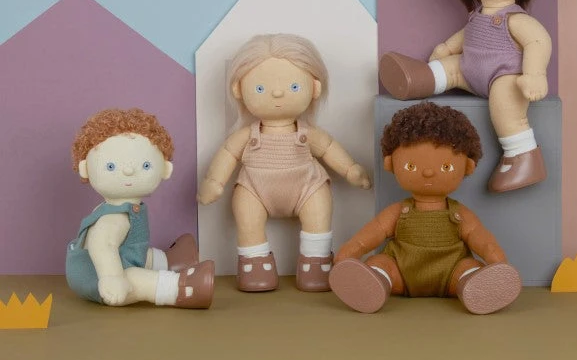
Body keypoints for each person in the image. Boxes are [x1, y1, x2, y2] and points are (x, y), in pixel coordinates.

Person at [379, 0, 551, 192]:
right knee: (452, 67)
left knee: (505, 105)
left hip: (504, 76)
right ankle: (419, 79)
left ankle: (522, 156)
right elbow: (466, 36)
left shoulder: (516, 19)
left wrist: (534, 74)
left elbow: (538, 41)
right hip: (470, 70)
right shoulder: (478, 15)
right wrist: (447, 48)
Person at [198, 34, 371, 292]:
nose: (277, 93)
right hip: (255, 188)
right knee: (247, 216)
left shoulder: (307, 133)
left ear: (315, 88)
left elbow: (328, 148)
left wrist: (350, 170)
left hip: (306, 186)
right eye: (260, 89)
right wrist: (214, 181)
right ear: (239, 90)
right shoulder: (247, 135)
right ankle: (255, 267)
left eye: (294, 87)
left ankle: (316, 265)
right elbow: (228, 154)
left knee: (318, 209)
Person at [329, 102, 521, 314]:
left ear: (468, 166)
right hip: (400, 271)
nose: (428, 173)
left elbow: (480, 238)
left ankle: (476, 288)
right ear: (390, 163)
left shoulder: (458, 214)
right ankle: (373, 284)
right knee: (380, 264)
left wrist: (498, 261)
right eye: (411, 166)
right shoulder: (398, 211)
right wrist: (349, 253)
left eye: (445, 167)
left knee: (470, 269)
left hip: (452, 271)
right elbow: (373, 232)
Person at [66, 108, 214, 308]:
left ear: (165, 169)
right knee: (134, 278)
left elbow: (129, 248)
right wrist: (112, 278)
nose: (128, 171)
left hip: (120, 258)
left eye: (145, 166)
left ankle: (169, 262)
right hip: (96, 274)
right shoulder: (114, 218)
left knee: (137, 252)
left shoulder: (127, 208)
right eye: (111, 167)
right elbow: (102, 246)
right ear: (85, 169)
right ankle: (180, 288)